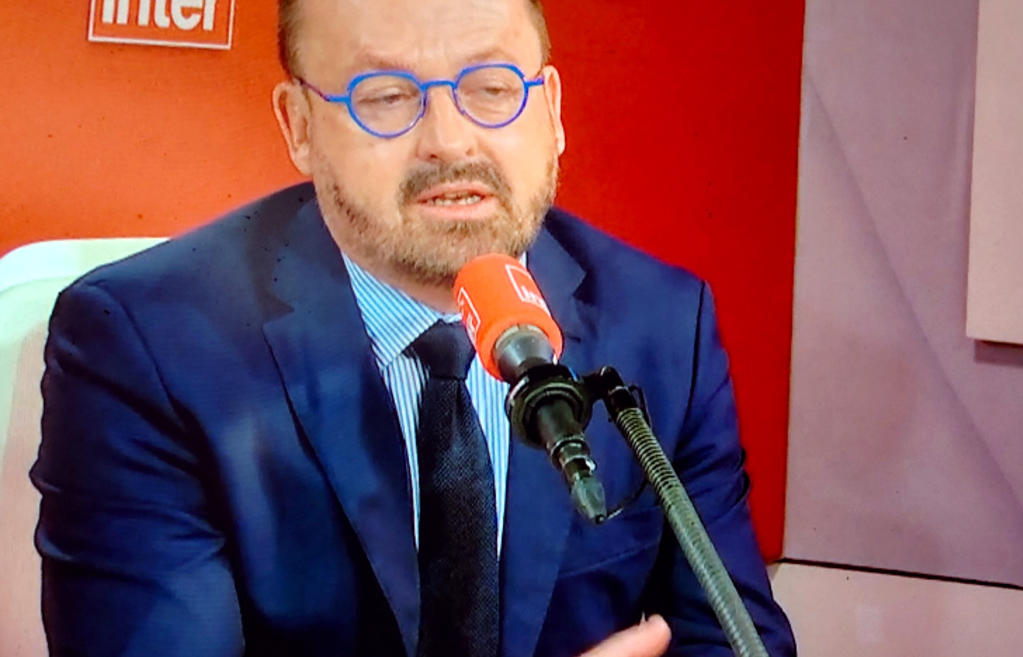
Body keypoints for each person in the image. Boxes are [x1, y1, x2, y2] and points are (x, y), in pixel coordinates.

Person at [29, 0, 796, 655]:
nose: (451, 141)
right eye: (388, 96)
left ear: (552, 110)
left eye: (493, 87)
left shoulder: (662, 324)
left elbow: (731, 638)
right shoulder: (146, 344)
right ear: (299, 126)